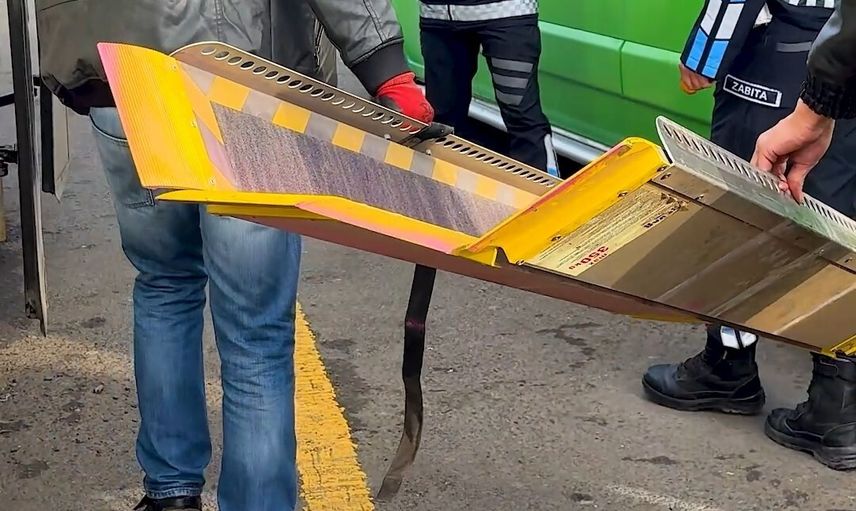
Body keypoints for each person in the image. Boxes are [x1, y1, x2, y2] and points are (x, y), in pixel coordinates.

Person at [33, 1, 434, 510]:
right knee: (254, 330)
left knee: (163, 286)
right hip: (241, 84)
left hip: (125, 79)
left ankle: (171, 493)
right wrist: (386, 67)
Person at [642, 0, 856, 470]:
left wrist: (705, 52)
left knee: (740, 216)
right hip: (844, 51)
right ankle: (837, 404)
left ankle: (727, 366)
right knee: (839, 227)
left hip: (794, 49)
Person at [418, 0, 561, 177]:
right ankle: (438, 189)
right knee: (442, 120)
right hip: (437, 16)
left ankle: (544, 191)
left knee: (522, 118)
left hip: (507, 13)